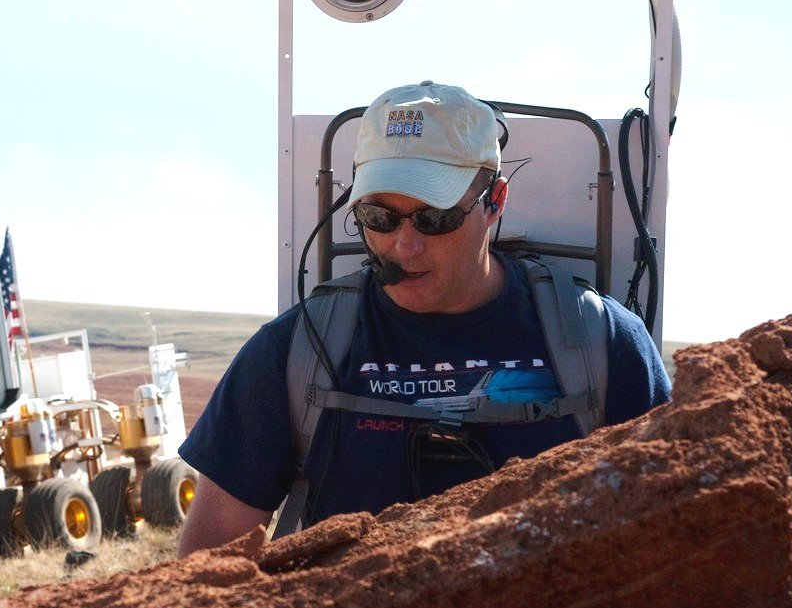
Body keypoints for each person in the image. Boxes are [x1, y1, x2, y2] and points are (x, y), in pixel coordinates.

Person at [177, 80, 671, 555]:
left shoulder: (602, 343)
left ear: (494, 202)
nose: (403, 246)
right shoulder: (294, 352)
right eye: (379, 218)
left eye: (435, 219)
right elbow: (207, 565)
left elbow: (668, 534)